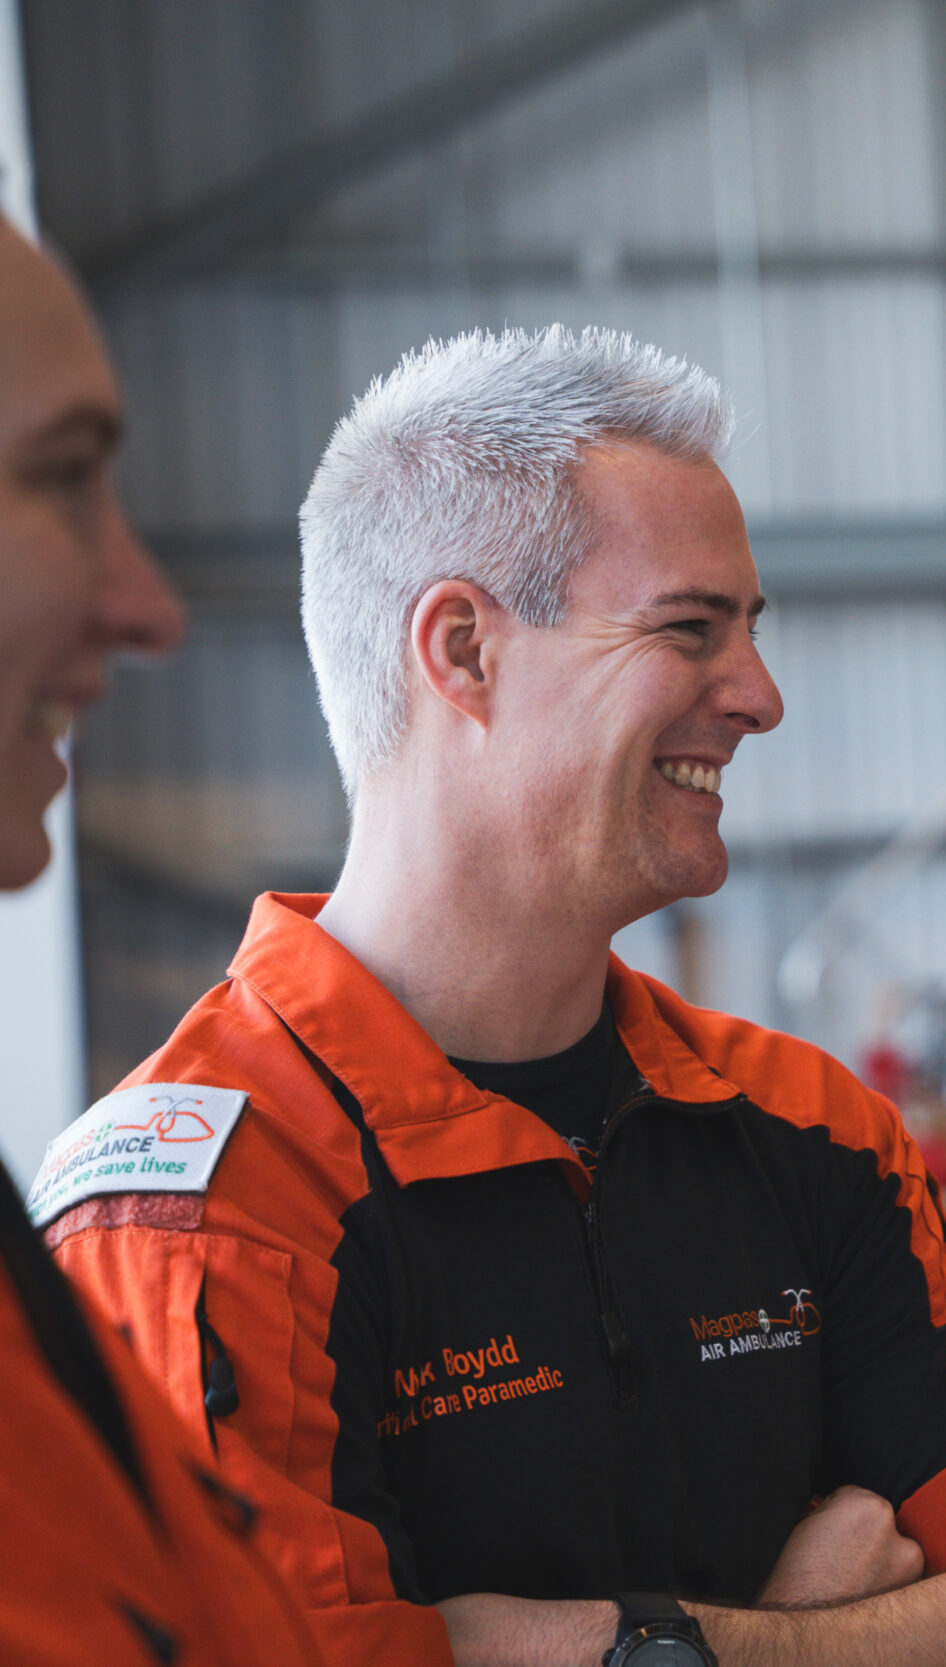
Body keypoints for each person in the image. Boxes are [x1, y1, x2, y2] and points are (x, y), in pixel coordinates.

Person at [48, 325, 946, 1667]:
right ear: (465, 651)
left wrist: (589, 1644)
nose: (762, 698)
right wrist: (795, 1624)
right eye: (688, 630)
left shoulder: (815, 1132)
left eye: (750, 634)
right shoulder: (206, 1213)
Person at [0, 222, 330, 1665]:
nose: (148, 605)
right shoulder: (195, 1179)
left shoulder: (804, 1116)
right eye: (61, 474)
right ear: (461, 654)